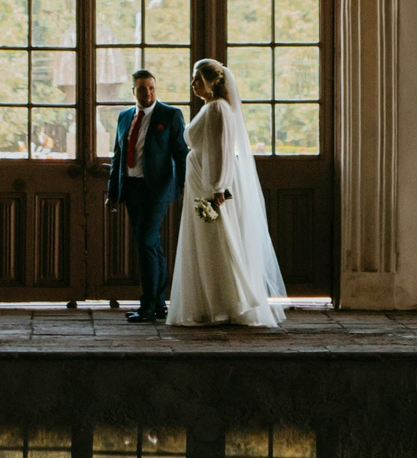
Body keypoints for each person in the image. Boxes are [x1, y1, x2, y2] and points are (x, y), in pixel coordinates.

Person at [166, 59, 287, 328]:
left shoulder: (218, 109)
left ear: (212, 82)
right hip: (200, 181)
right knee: (206, 242)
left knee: (216, 241)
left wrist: (217, 188)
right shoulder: (211, 107)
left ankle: (225, 303)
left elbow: (221, 150)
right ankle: (209, 304)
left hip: (208, 186)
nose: (193, 84)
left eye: (198, 79)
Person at [104, 68, 187, 322]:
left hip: (157, 189)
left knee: (144, 241)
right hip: (132, 188)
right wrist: (113, 192)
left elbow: (181, 154)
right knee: (152, 244)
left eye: (151, 87)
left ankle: (148, 306)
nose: (148, 92)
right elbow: (118, 157)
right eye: (142, 88)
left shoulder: (170, 115)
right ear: (134, 91)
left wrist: (185, 186)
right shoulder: (124, 117)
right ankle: (160, 304)